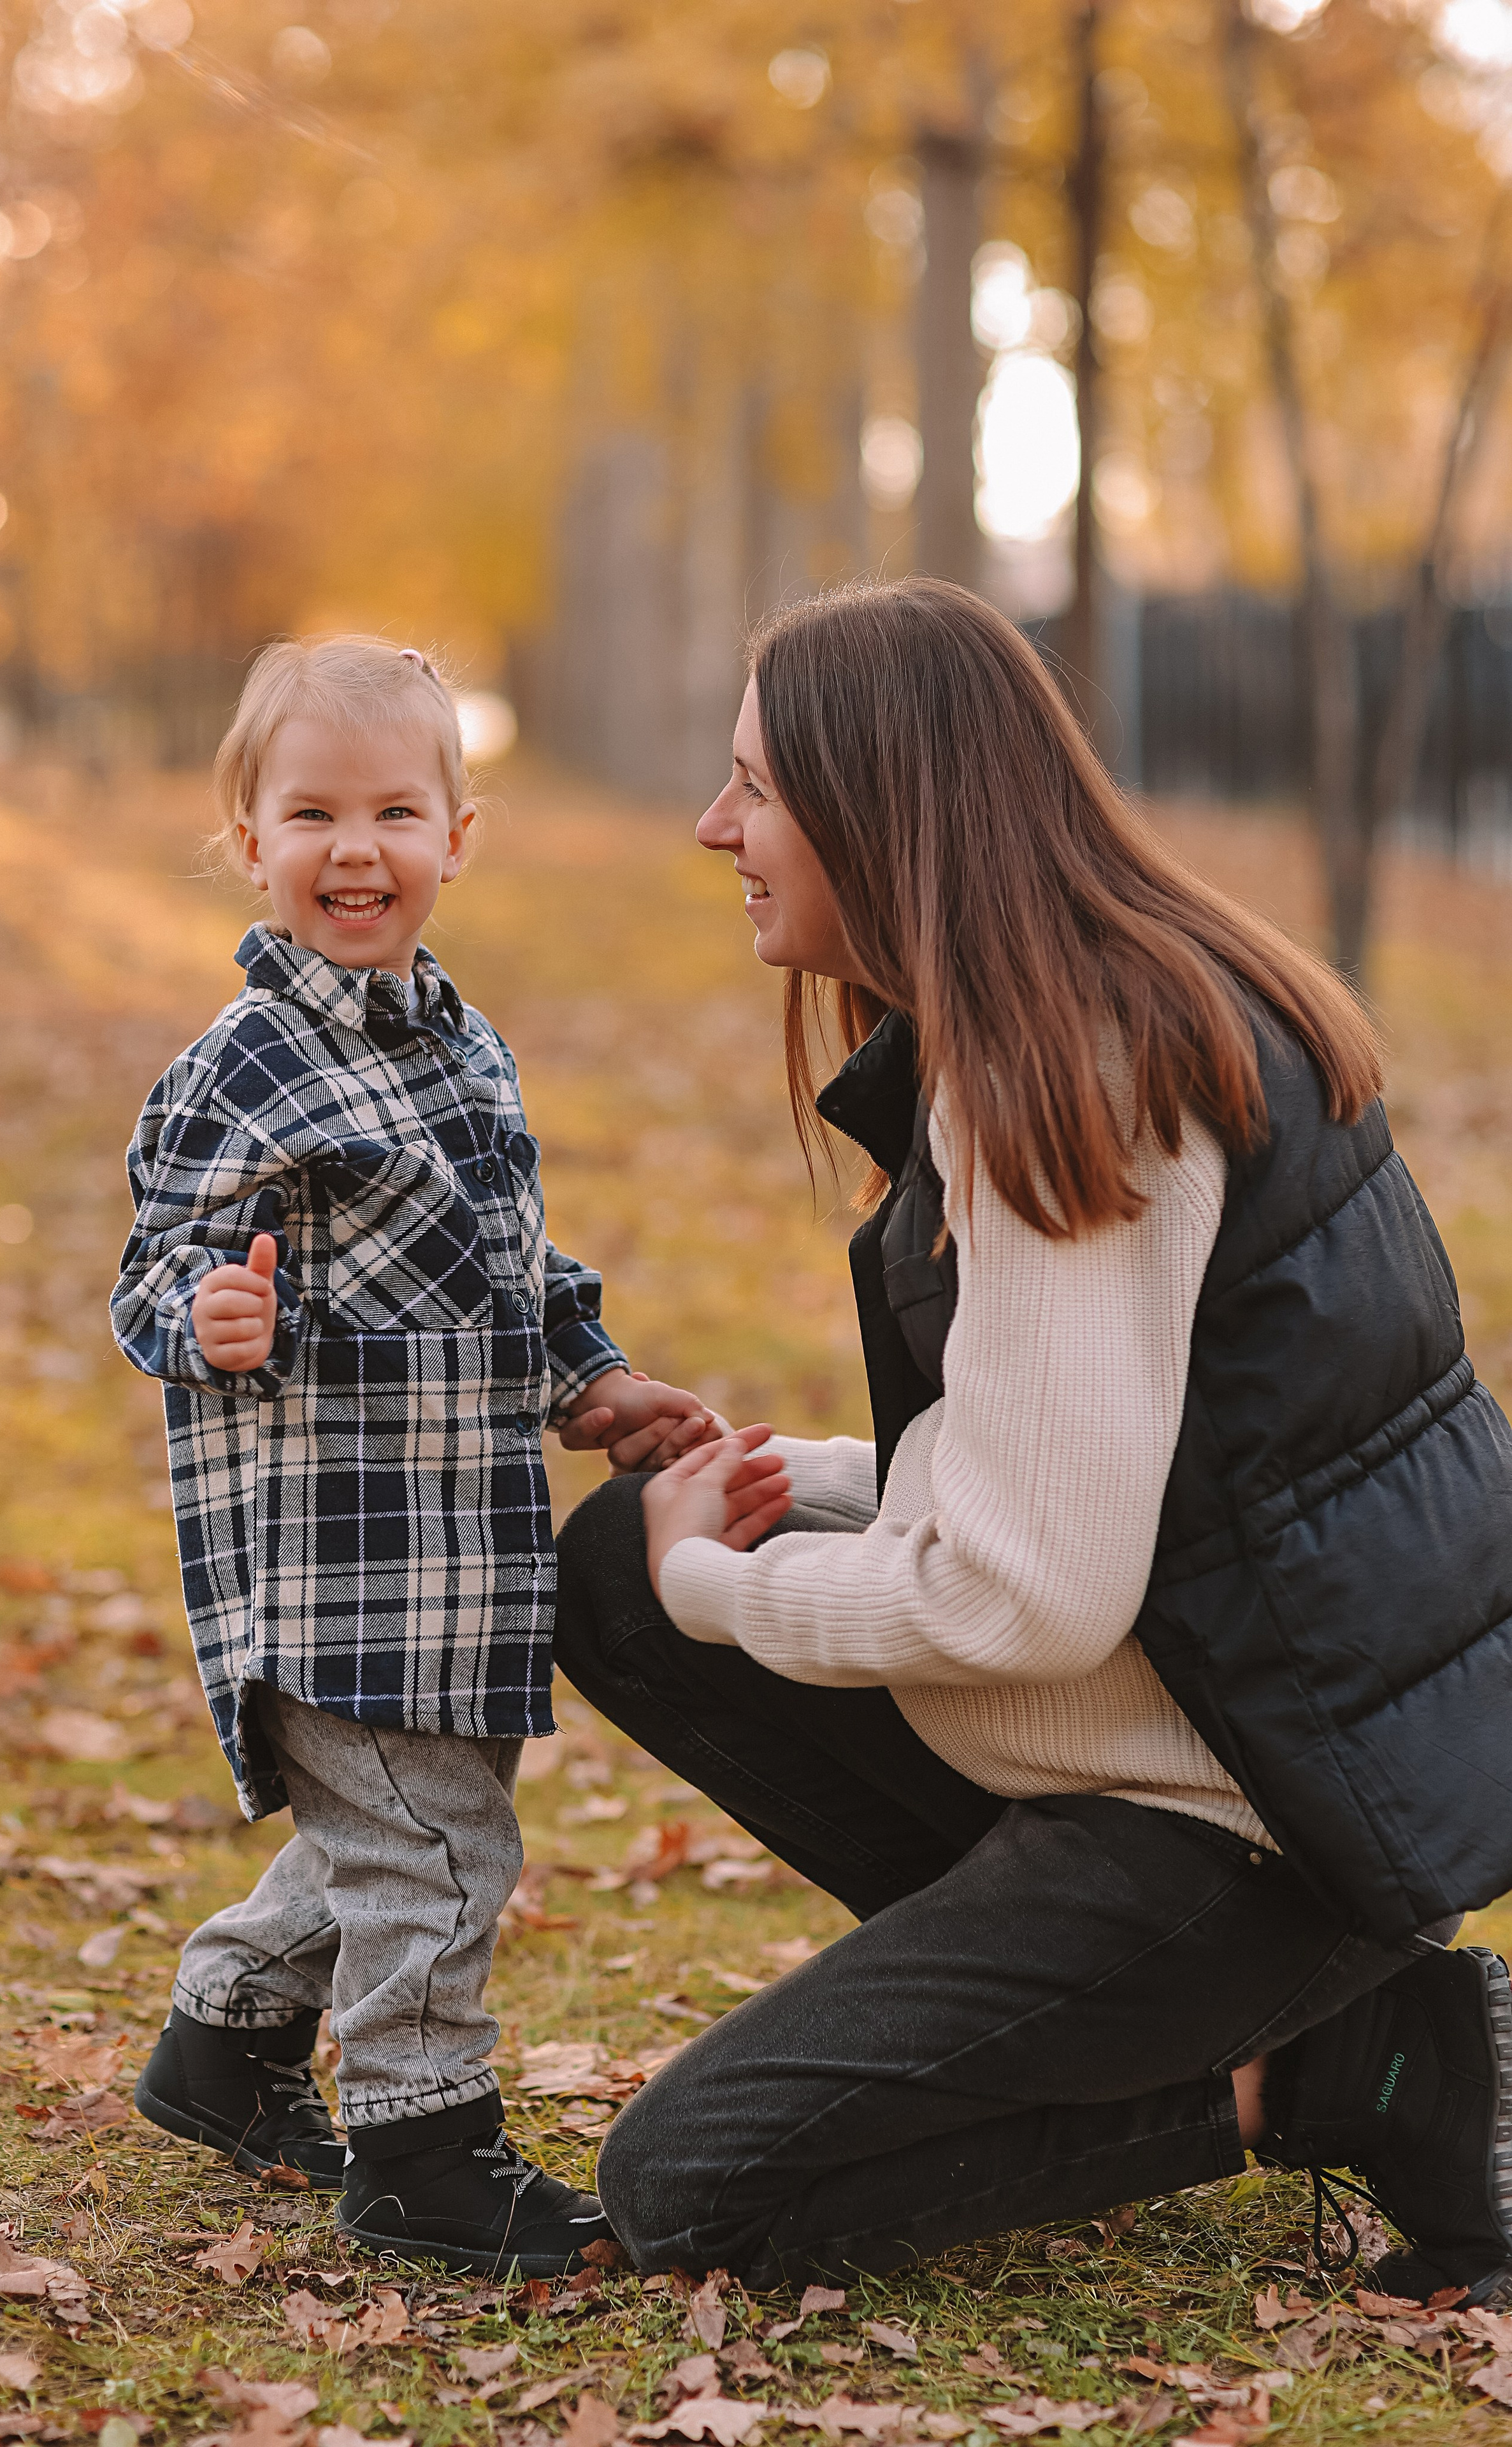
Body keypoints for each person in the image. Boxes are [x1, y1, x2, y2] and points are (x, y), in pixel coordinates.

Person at [554, 576, 1512, 2305]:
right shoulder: (1078, 1013)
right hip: (1215, 1722)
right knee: (619, 1567)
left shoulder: (1075, 1077)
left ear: (879, 810)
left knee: (692, 2184)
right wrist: (787, 1492)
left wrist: (723, 1588)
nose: (717, 828)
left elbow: (1029, 1602)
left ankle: (1325, 2059)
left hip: (1247, 1819)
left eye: (756, 787)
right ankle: (1104, 2004)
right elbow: (1142, 1460)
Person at [112, 635, 714, 2275]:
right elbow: (157, 1260)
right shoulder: (240, 1064)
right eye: (311, 813)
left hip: (466, 1549)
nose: (354, 848)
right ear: (251, 841)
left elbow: (512, 1266)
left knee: (387, 1834)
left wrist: (590, 1379)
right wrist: (203, 1317)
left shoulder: (460, 1041)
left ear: (460, 836)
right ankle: (420, 2145)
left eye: (394, 810)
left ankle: (221, 2051)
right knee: (437, 1845)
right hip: (338, 1559)